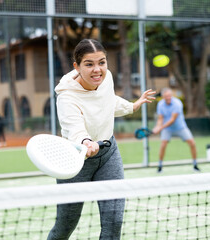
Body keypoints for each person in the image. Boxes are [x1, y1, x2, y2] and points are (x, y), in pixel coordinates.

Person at [48, 39, 155, 240]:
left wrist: (132, 106)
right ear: (76, 67)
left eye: (102, 62)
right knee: (65, 225)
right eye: (89, 64)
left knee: (114, 221)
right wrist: (86, 143)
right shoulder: (66, 97)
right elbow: (74, 128)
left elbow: (108, 101)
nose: (97, 70)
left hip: (108, 154)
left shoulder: (107, 79)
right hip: (74, 161)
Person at [152, 88, 200, 173]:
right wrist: (157, 126)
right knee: (163, 145)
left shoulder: (177, 103)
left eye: (169, 96)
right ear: (163, 97)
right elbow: (160, 119)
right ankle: (160, 166)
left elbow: (172, 120)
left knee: (192, 143)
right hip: (167, 129)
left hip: (180, 127)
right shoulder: (160, 104)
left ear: (171, 96)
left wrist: (160, 128)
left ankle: (195, 165)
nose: (168, 98)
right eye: (166, 96)